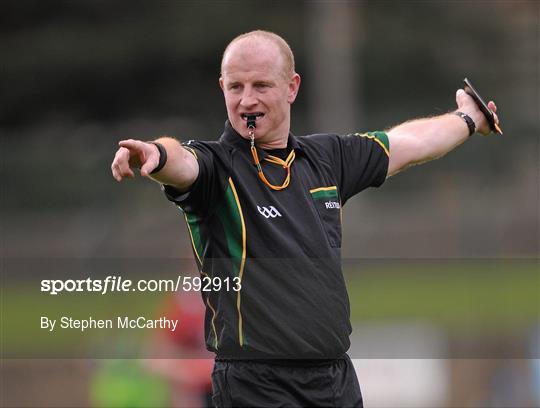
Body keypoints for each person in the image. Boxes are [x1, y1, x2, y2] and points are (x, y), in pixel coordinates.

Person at [111, 30, 499, 407]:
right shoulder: (216, 168)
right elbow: (181, 160)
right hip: (255, 385)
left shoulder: (327, 158)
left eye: (261, 85)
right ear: (222, 89)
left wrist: (466, 120)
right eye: (236, 87)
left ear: (292, 87)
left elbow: (410, 143)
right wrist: (154, 154)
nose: (247, 100)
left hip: (333, 379)